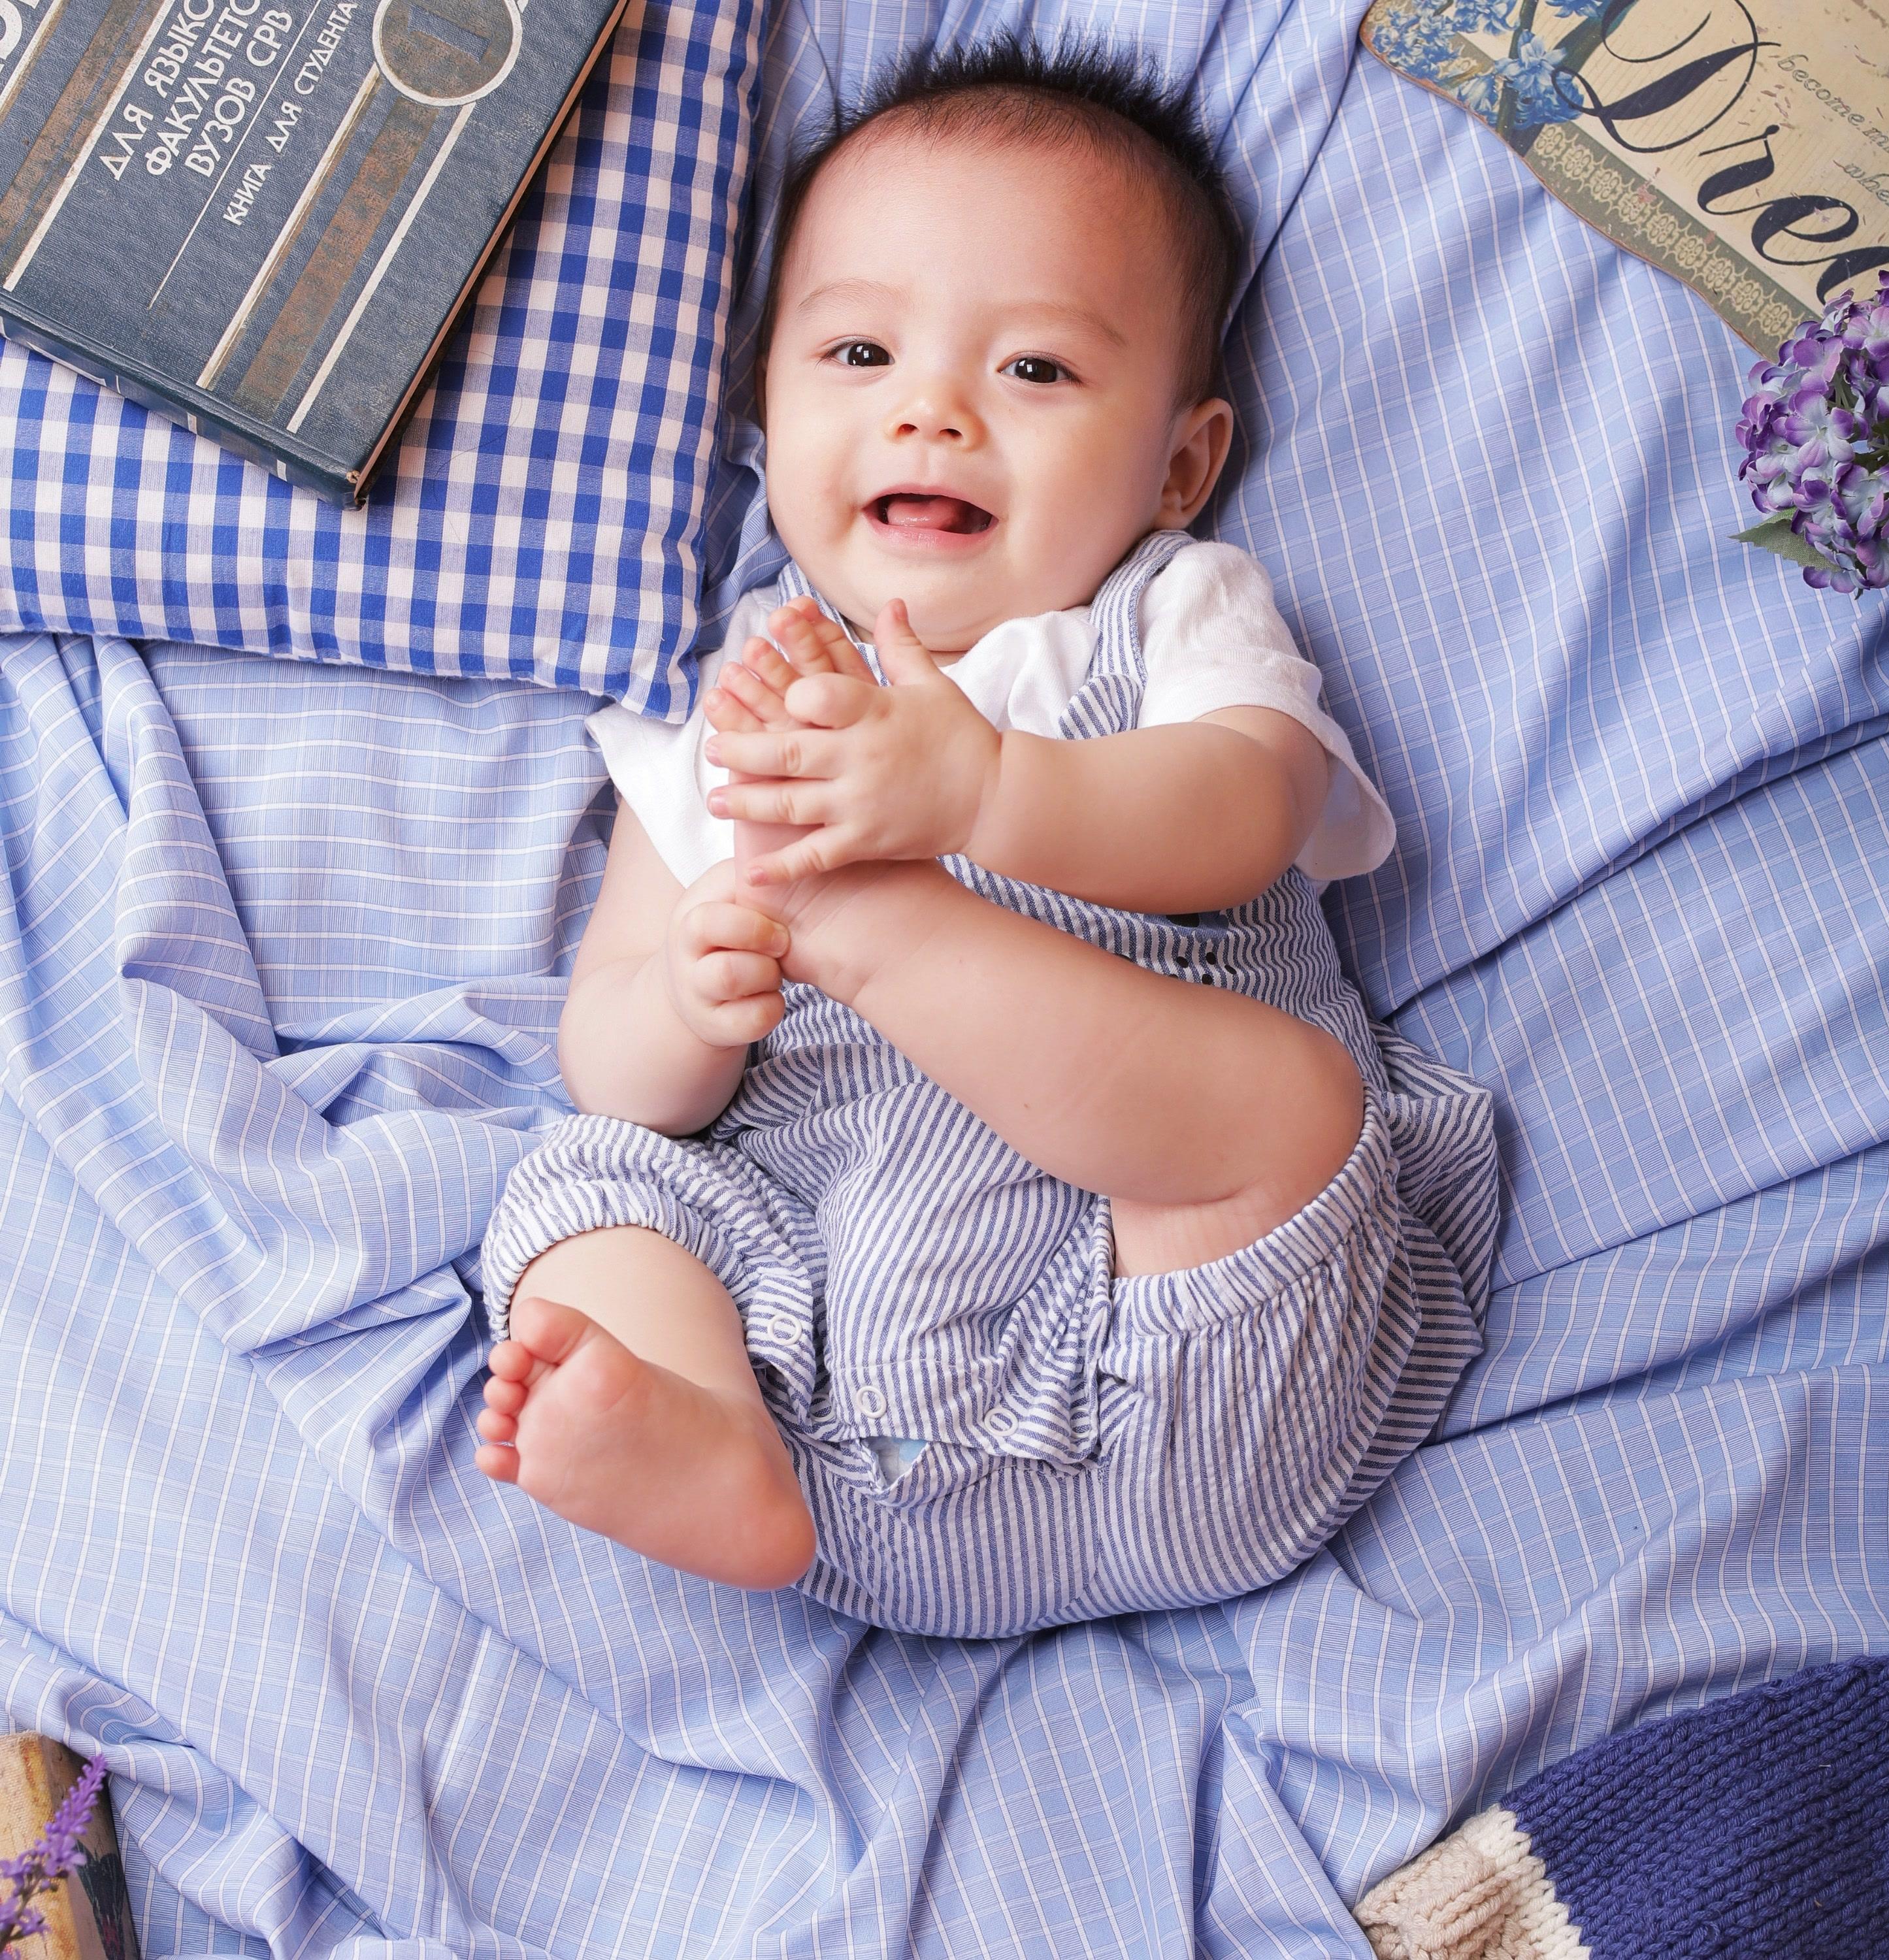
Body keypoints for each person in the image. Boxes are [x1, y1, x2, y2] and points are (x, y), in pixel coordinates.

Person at [469, 34, 1500, 1639]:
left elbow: (1251, 812)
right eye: (860, 351)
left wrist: (985, 797)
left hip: (1203, 1356)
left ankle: (871, 926)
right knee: (586, 1181)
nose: (933, 412)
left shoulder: (1164, 616)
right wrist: (686, 998)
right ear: (765, 412)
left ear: (1181, 464)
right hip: (853, 1449)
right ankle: (697, 1432)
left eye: (1034, 371)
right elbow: (614, 1059)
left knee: (1287, 1106)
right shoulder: (731, 712)